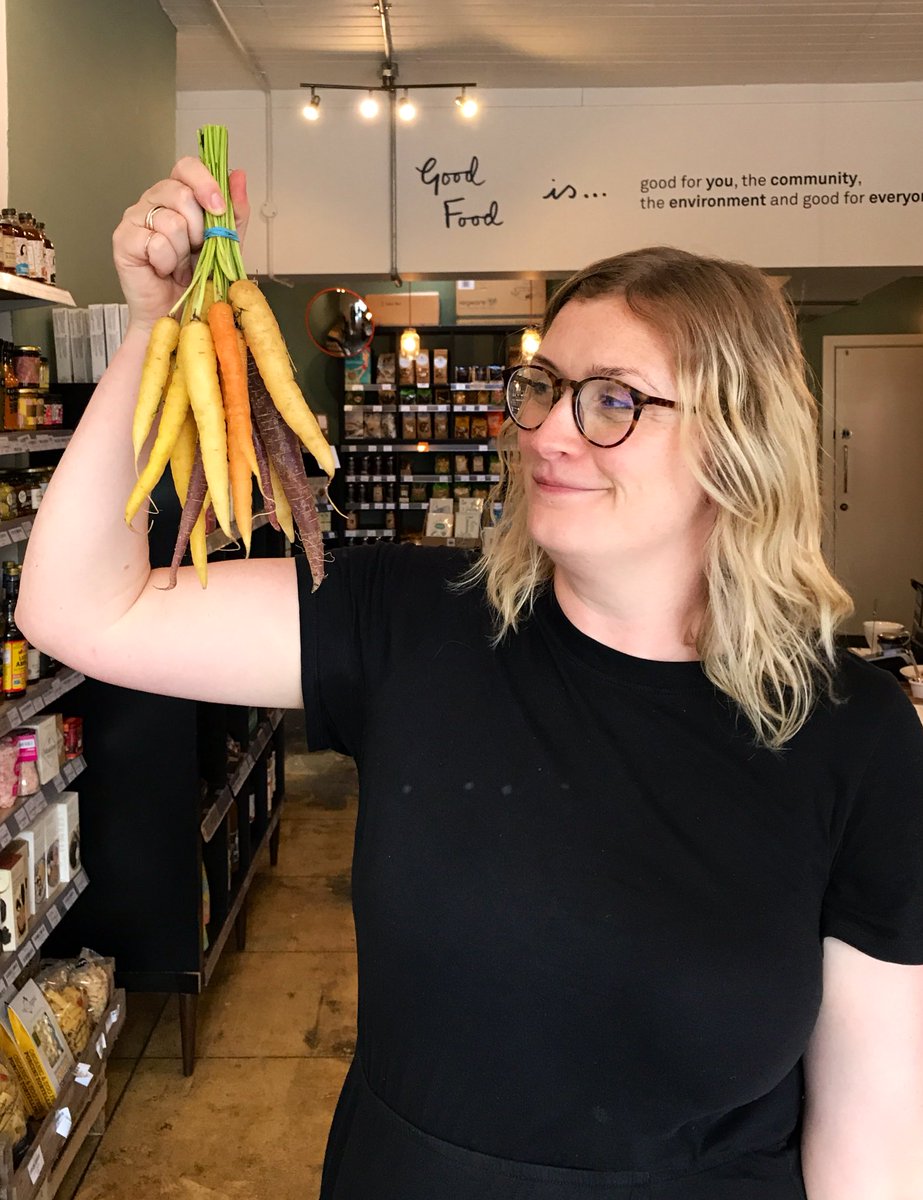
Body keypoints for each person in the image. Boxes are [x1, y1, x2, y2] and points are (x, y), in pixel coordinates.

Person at [16, 158, 923, 1200]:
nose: (544, 430)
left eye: (611, 401)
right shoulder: (413, 618)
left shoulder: (853, 738)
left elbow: (874, 1136)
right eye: (541, 386)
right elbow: (78, 609)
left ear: (739, 442)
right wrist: (156, 330)